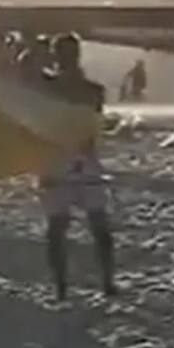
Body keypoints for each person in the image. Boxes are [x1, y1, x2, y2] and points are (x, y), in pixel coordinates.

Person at [36, 33, 116, 300]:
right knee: (95, 225)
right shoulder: (93, 90)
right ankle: (105, 282)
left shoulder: (46, 88)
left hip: (58, 158)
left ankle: (62, 286)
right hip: (82, 158)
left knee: (59, 228)